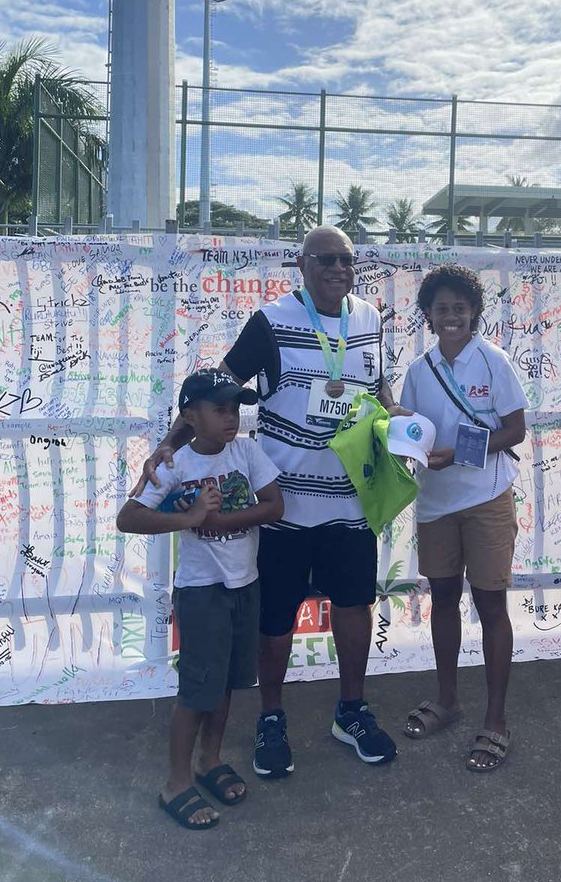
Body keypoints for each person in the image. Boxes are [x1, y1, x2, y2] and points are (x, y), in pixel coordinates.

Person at [132, 226, 398, 778]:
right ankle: (271, 718)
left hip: (350, 500)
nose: (338, 269)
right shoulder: (271, 321)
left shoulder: (370, 319)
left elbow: (378, 391)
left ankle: (351, 711)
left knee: (354, 609)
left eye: (347, 260)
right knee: (276, 622)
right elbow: (216, 387)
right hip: (284, 504)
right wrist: (169, 444)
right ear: (301, 265)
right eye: (325, 259)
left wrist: (398, 422)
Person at [117, 369, 284, 829]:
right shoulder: (175, 465)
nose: (231, 418)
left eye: (235, 409)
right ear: (190, 417)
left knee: (225, 682)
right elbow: (129, 518)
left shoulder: (247, 451)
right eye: (219, 409)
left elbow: (275, 505)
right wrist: (189, 518)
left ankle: (210, 760)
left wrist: (223, 521)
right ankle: (176, 782)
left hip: (244, 586)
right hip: (201, 593)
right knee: (196, 690)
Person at [399, 264, 526, 773]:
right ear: (427, 316)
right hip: (435, 503)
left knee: (491, 605)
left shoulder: (493, 361)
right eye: (441, 309)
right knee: (444, 600)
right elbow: (411, 432)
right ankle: (448, 701)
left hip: (487, 498)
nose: (451, 316)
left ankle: (496, 719)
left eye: (459, 307)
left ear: (474, 312)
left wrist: (457, 453)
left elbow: (514, 431)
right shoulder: (418, 370)